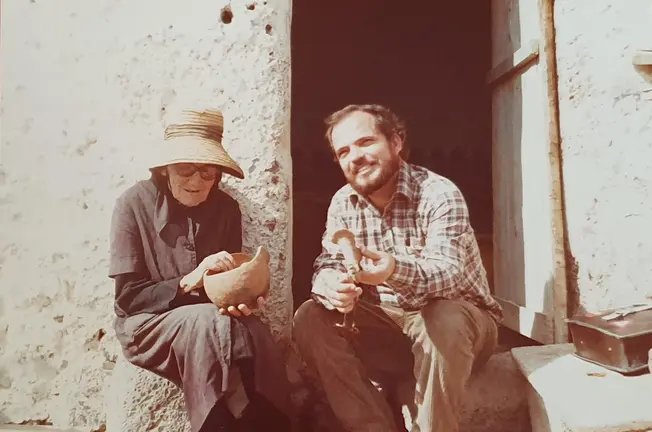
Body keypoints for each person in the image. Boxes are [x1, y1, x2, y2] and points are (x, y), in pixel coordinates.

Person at [293, 104, 504, 432]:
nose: (355, 157)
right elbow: (329, 259)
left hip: (461, 329)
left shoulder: (438, 193)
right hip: (390, 329)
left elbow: (448, 275)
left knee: (443, 316)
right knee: (310, 316)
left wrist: (393, 270)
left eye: (365, 142)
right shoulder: (342, 202)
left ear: (396, 142)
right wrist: (329, 285)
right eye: (344, 151)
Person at [108, 108, 292, 432]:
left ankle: (267, 422)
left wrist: (242, 296)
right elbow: (127, 300)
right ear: (166, 169)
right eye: (186, 169)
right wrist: (187, 282)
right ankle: (217, 423)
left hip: (210, 320)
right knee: (207, 321)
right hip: (147, 324)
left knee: (256, 331)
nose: (196, 181)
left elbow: (222, 288)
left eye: (208, 172)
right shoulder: (132, 205)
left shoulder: (226, 209)